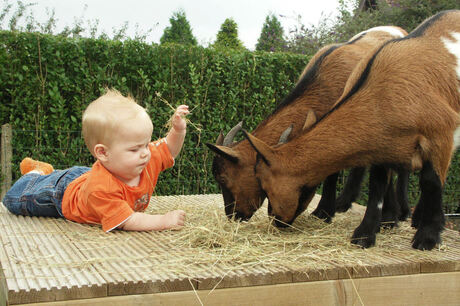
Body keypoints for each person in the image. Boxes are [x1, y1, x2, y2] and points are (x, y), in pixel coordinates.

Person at [2, 89, 188, 232]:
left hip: (86, 176)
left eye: (146, 144)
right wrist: (164, 221)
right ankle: (36, 172)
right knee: (14, 198)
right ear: (103, 153)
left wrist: (178, 131)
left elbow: (168, 150)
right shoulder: (100, 188)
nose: (145, 153)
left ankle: (45, 170)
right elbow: (127, 221)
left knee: (63, 176)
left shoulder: (143, 158)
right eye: (134, 149)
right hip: (61, 193)